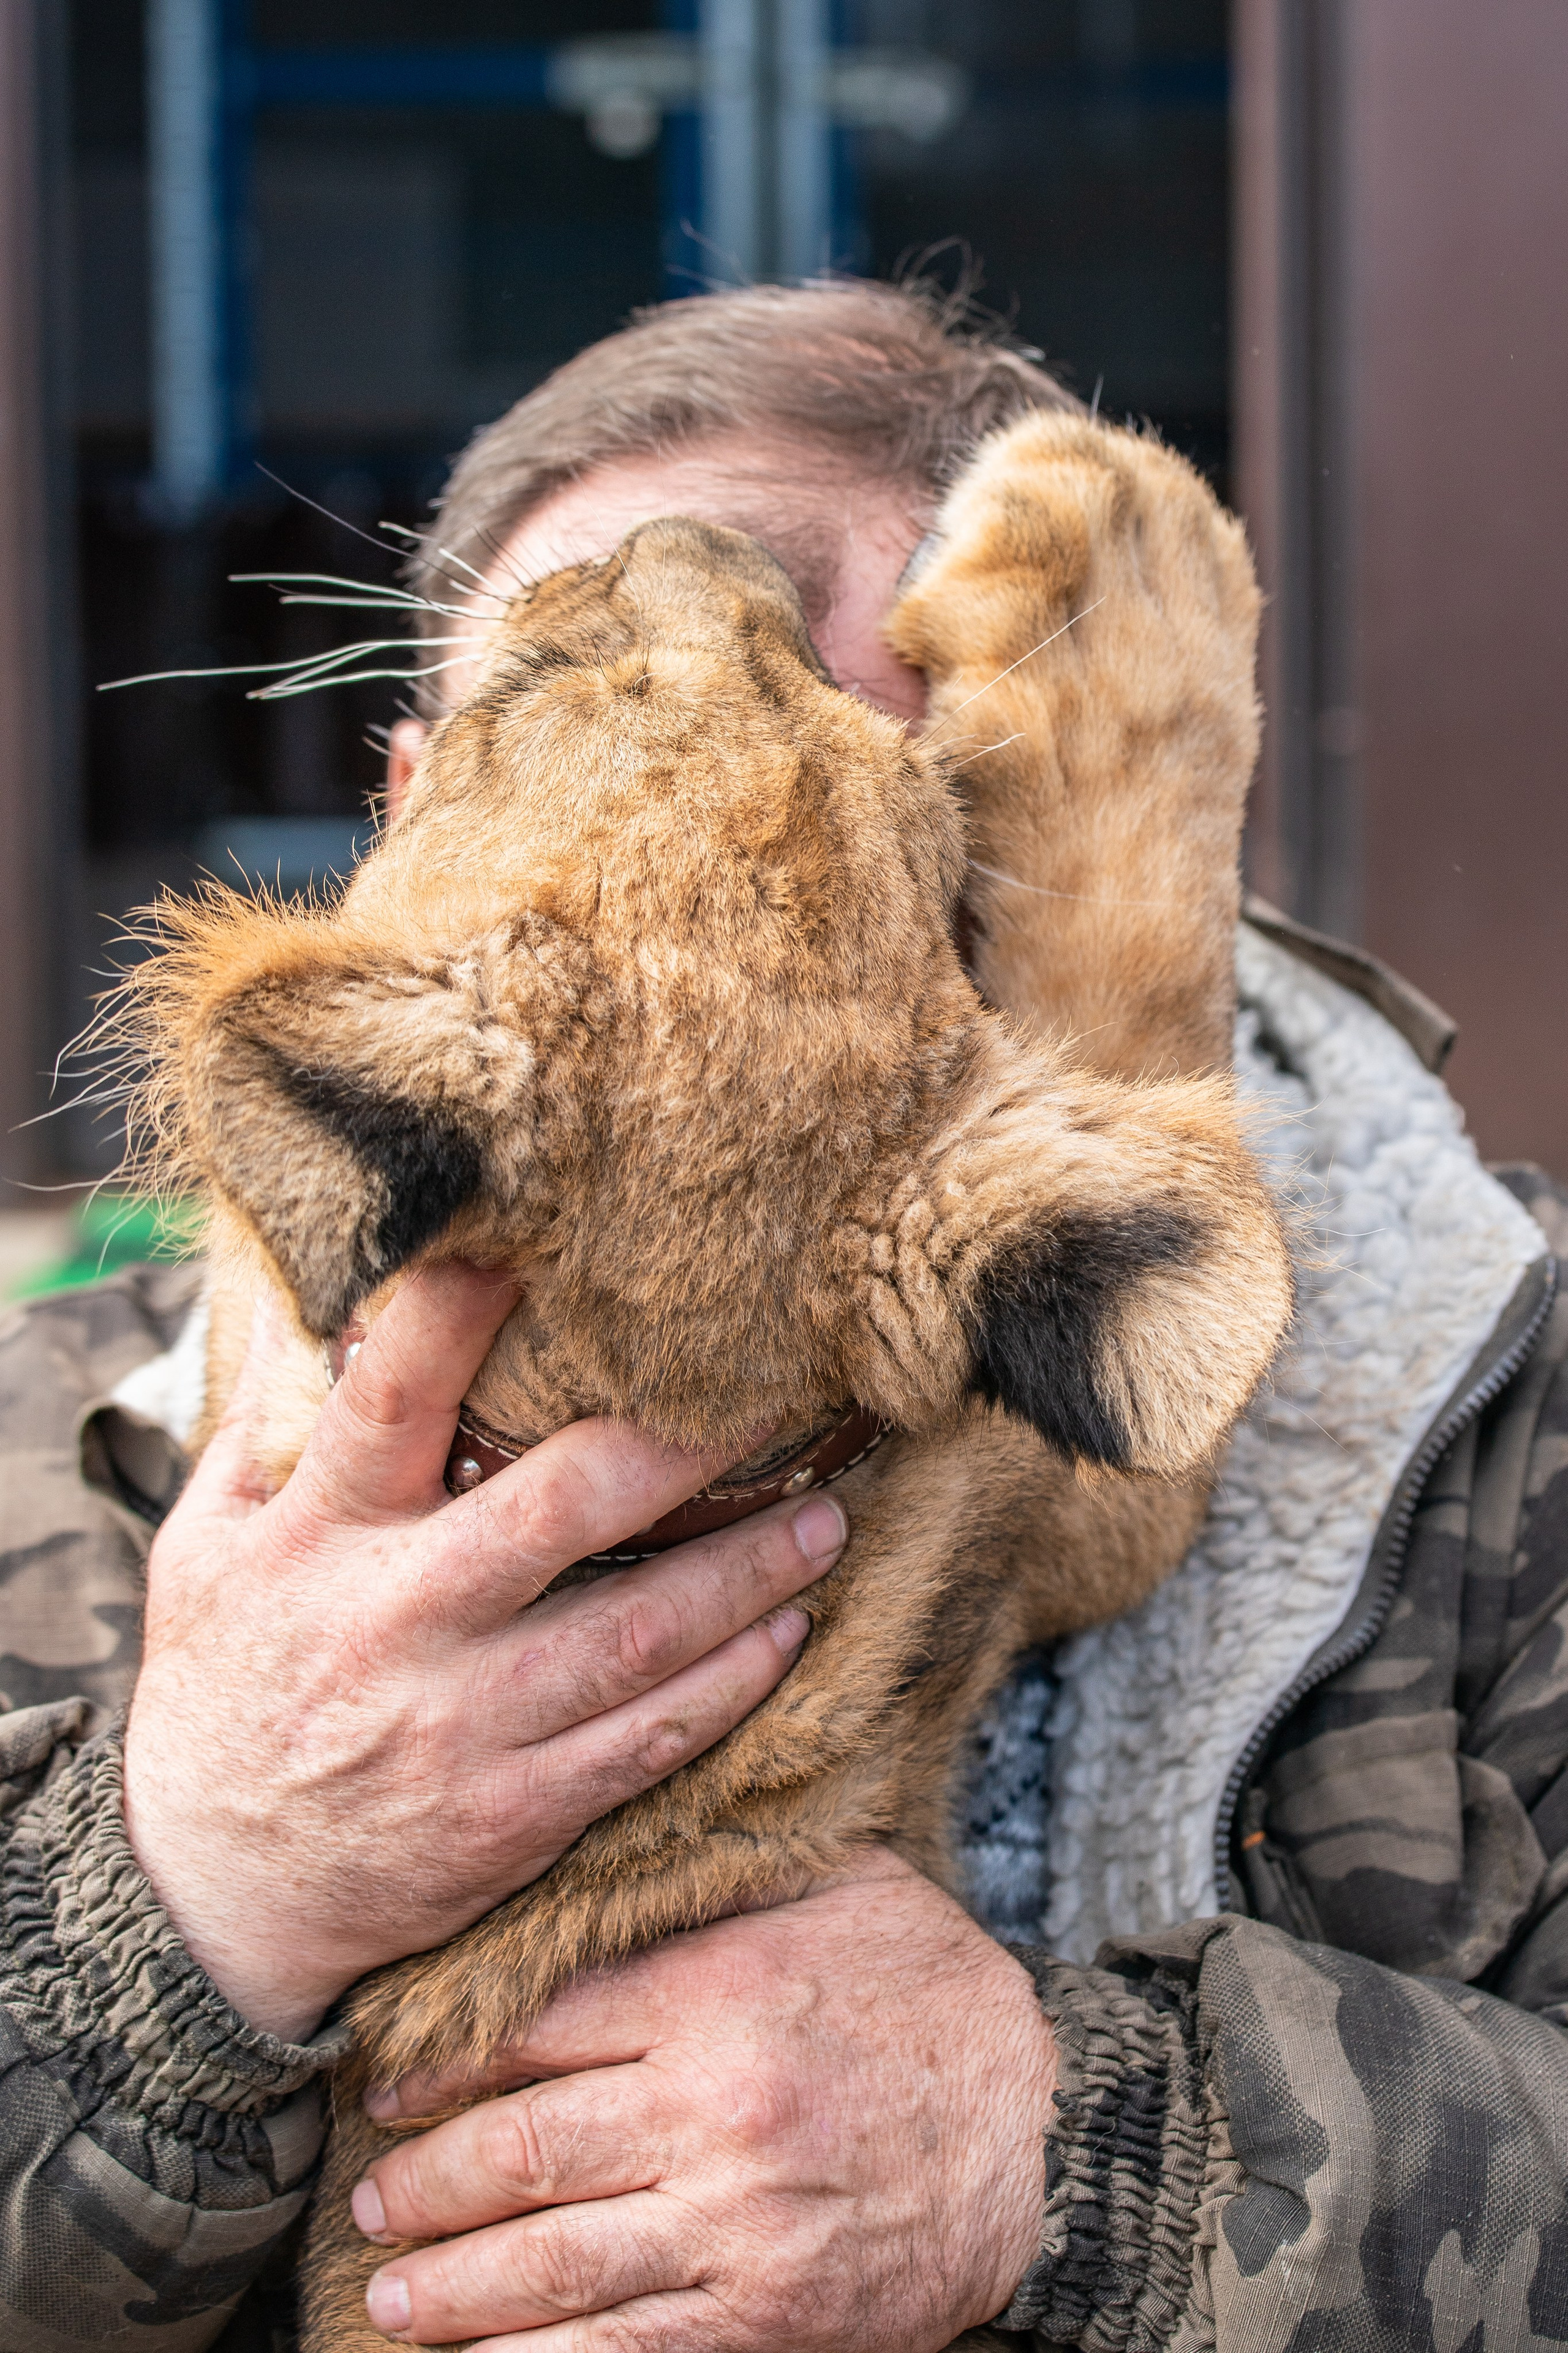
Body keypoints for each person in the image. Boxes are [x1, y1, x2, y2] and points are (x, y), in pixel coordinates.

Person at [2, 278, 1566, 2353]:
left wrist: (1101, 2159)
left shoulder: (1497, 1386)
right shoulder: (50, 1422)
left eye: (863, 829)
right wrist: (186, 1892)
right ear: (401, 815)